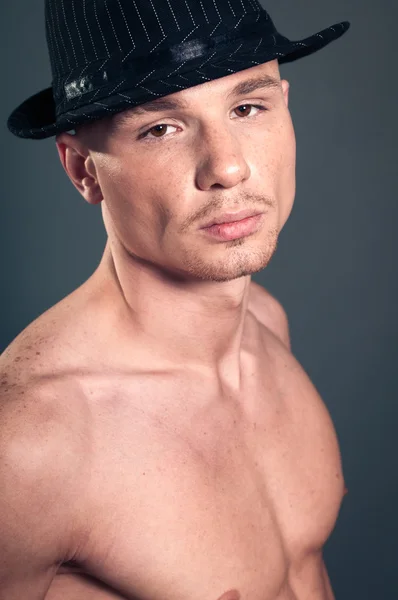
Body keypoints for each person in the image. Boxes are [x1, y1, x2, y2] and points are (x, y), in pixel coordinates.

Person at [1, 1, 350, 598]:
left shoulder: (266, 325)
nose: (229, 166)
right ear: (83, 169)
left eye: (247, 107)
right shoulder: (29, 443)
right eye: (160, 128)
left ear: (285, 107)